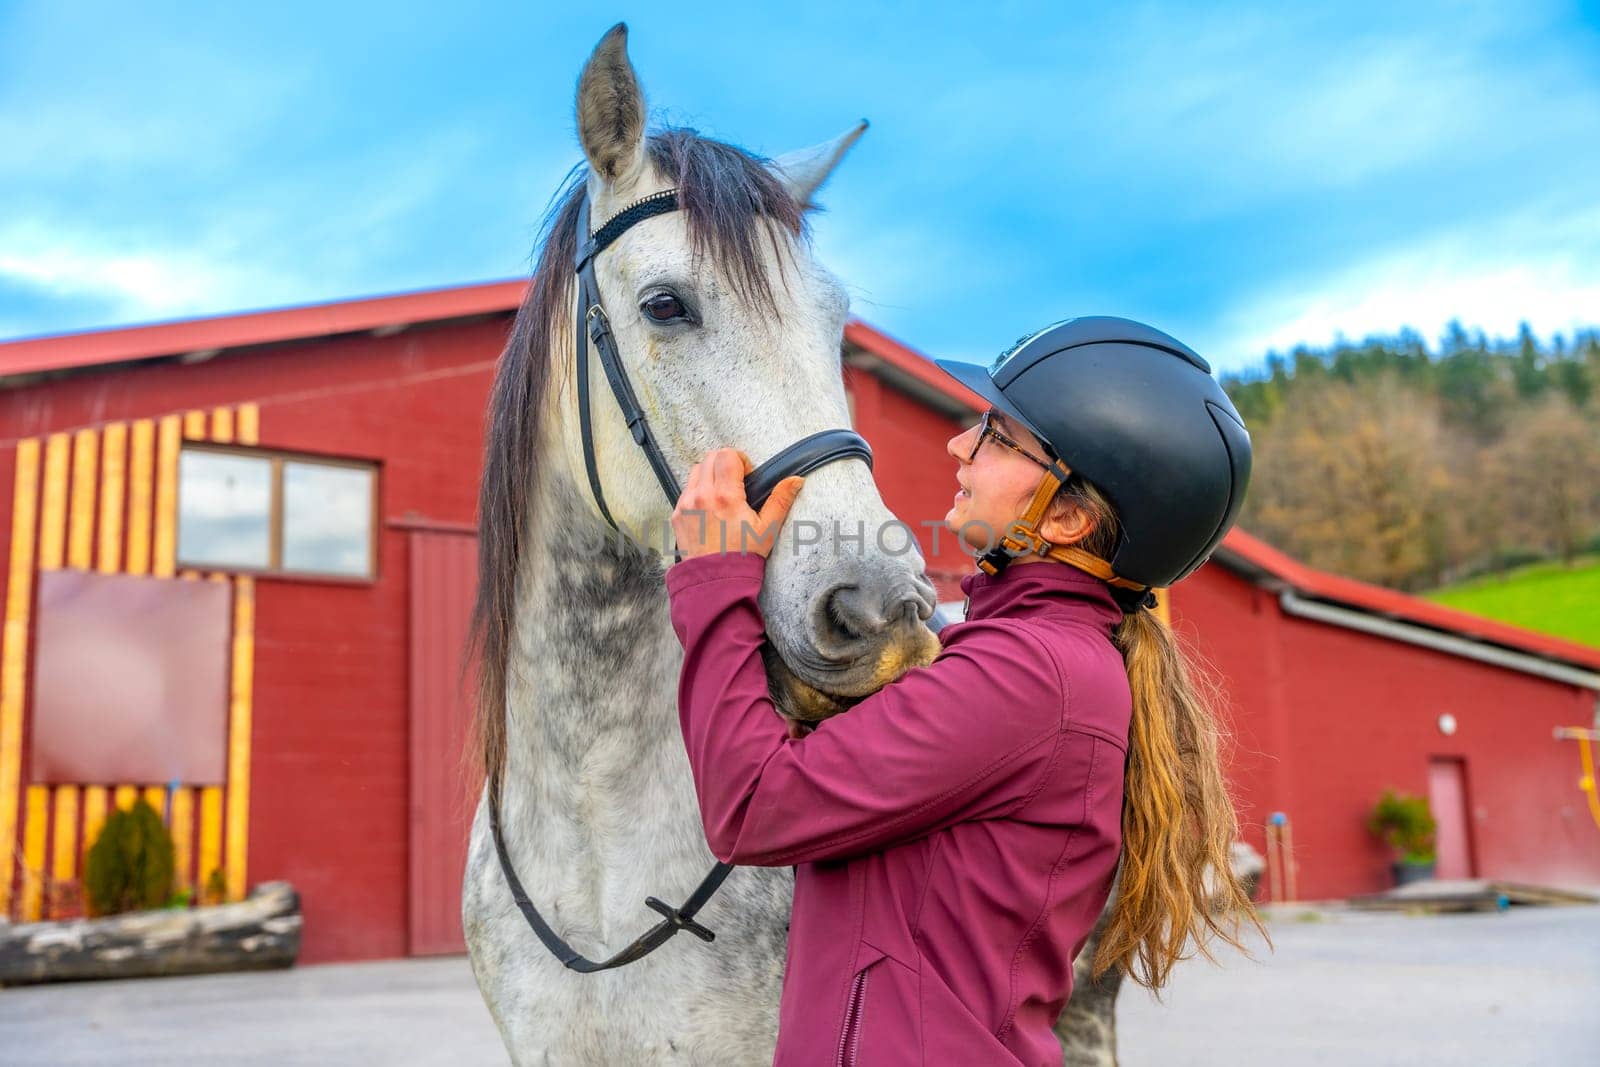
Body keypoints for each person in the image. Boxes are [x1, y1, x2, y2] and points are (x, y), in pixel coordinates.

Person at [665, 316, 1264, 1065]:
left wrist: (714, 576)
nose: (960, 445)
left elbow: (754, 804)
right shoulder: (1031, 658)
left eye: (998, 436)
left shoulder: (1030, 675)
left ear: (1070, 516)